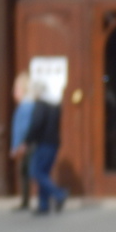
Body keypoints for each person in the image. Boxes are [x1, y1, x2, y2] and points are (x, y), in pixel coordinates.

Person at [15, 82, 68, 215]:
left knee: (36, 172)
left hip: (43, 143)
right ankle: (43, 206)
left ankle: (59, 193)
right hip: (53, 143)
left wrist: (26, 141)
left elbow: (36, 125)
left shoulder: (40, 106)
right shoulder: (54, 106)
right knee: (44, 173)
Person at [8, 72, 36, 211]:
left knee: (28, 172)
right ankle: (26, 201)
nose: (14, 93)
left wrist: (16, 146)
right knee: (27, 172)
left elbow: (21, 129)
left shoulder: (24, 107)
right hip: (30, 143)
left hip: (26, 144)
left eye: (16, 89)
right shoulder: (31, 105)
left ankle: (27, 201)